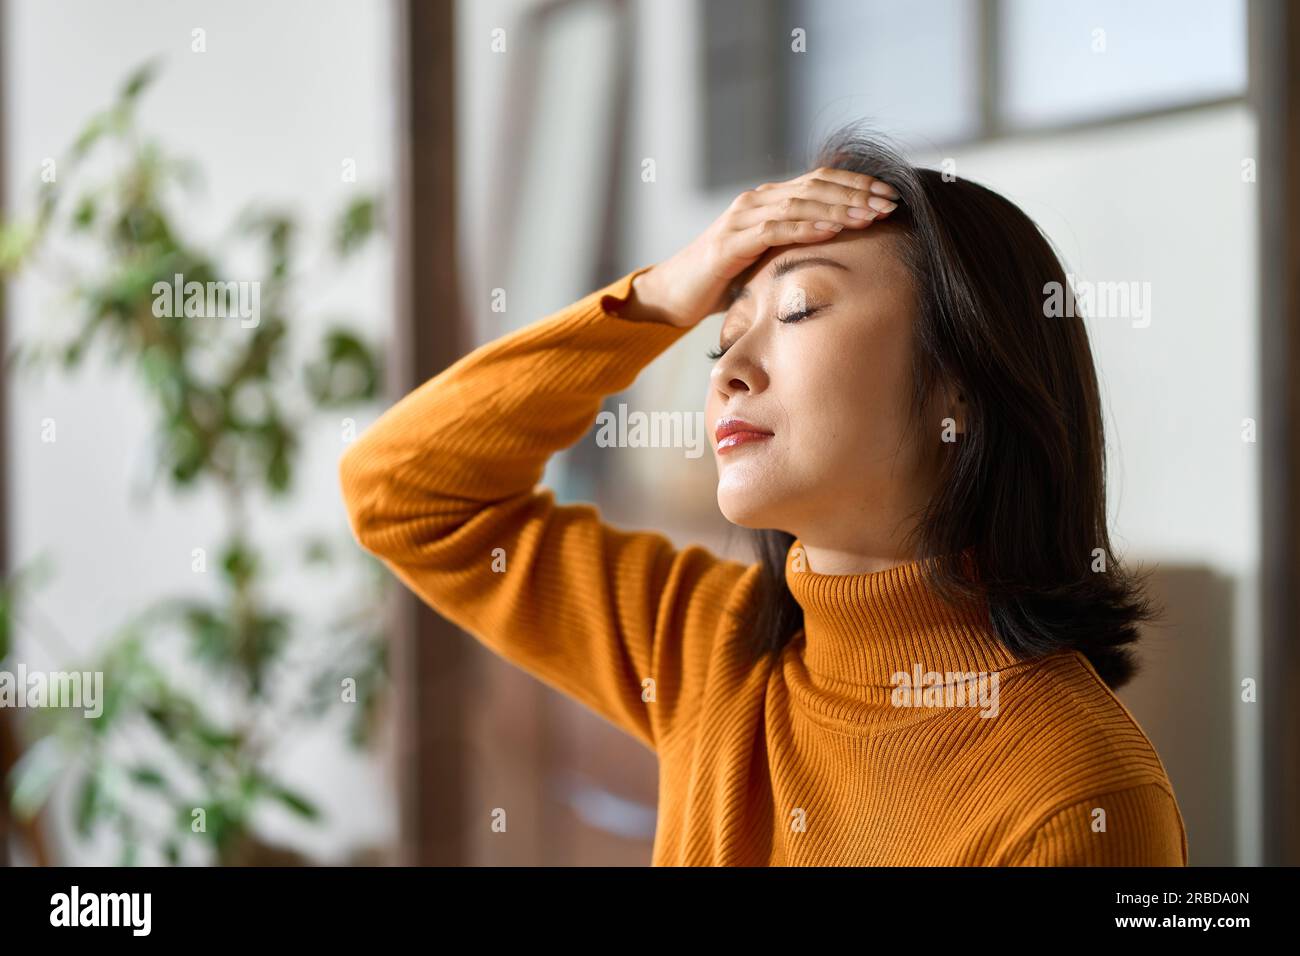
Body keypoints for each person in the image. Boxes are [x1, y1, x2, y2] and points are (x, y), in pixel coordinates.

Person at [338, 124, 1187, 866]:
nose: (730, 374)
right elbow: (404, 491)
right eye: (718, 340)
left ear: (959, 385)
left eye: (800, 308)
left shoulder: (1078, 798)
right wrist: (659, 297)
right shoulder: (708, 649)